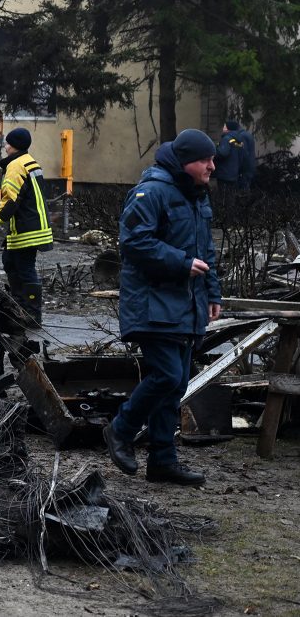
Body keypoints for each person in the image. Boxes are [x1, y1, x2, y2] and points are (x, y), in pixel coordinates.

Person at [103, 129, 222, 487]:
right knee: (167, 376)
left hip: (186, 305)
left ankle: (162, 461)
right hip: (152, 304)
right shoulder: (151, 192)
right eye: (206, 160)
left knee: (176, 384)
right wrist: (180, 262)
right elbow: (134, 242)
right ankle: (120, 430)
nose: (212, 167)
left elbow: (207, 252)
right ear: (186, 162)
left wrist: (212, 291)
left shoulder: (197, 196)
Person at [0, 127, 53, 327]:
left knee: (24, 268)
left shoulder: (15, 166)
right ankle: (19, 308)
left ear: (13, 146)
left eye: (7, 143)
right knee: (11, 261)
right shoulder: (31, 163)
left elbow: (10, 202)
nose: (5, 147)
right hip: (33, 225)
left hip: (27, 229)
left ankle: (30, 314)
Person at [214, 119, 256, 190]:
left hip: (236, 172)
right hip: (240, 171)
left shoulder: (233, 138)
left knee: (233, 194)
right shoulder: (240, 137)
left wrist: (213, 151)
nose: (223, 128)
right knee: (238, 194)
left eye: (224, 126)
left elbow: (223, 153)